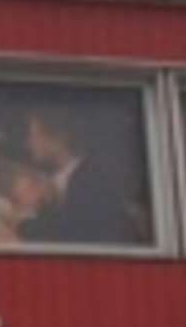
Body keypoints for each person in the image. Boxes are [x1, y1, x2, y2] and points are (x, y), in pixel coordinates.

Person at [15, 102, 146, 246]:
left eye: (33, 134)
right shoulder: (63, 180)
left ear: (58, 137)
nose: (28, 143)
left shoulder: (91, 181)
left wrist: (28, 213)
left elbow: (71, 236)